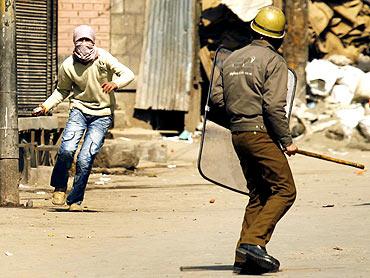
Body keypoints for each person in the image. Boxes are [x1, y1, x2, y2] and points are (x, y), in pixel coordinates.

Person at [210, 6, 298, 274]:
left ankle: (243, 257)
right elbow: (273, 107)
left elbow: (216, 99)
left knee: (259, 194)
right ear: (279, 37)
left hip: (238, 134)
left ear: (254, 30)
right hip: (260, 134)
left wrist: (239, 115)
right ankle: (253, 243)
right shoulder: (274, 61)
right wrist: (286, 140)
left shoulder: (230, 58)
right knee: (284, 190)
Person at [32, 25, 135, 211]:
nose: (84, 44)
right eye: (80, 40)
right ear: (74, 42)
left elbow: (128, 74)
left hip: (102, 115)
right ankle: (60, 187)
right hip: (79, 110)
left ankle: (75, 200)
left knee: (85, 158)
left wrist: (115, 83)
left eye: (88, 40)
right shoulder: (68, 66)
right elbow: (62, 91)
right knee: (66, 150)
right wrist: (45, 106)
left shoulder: (104, 58)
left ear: (94, 42)